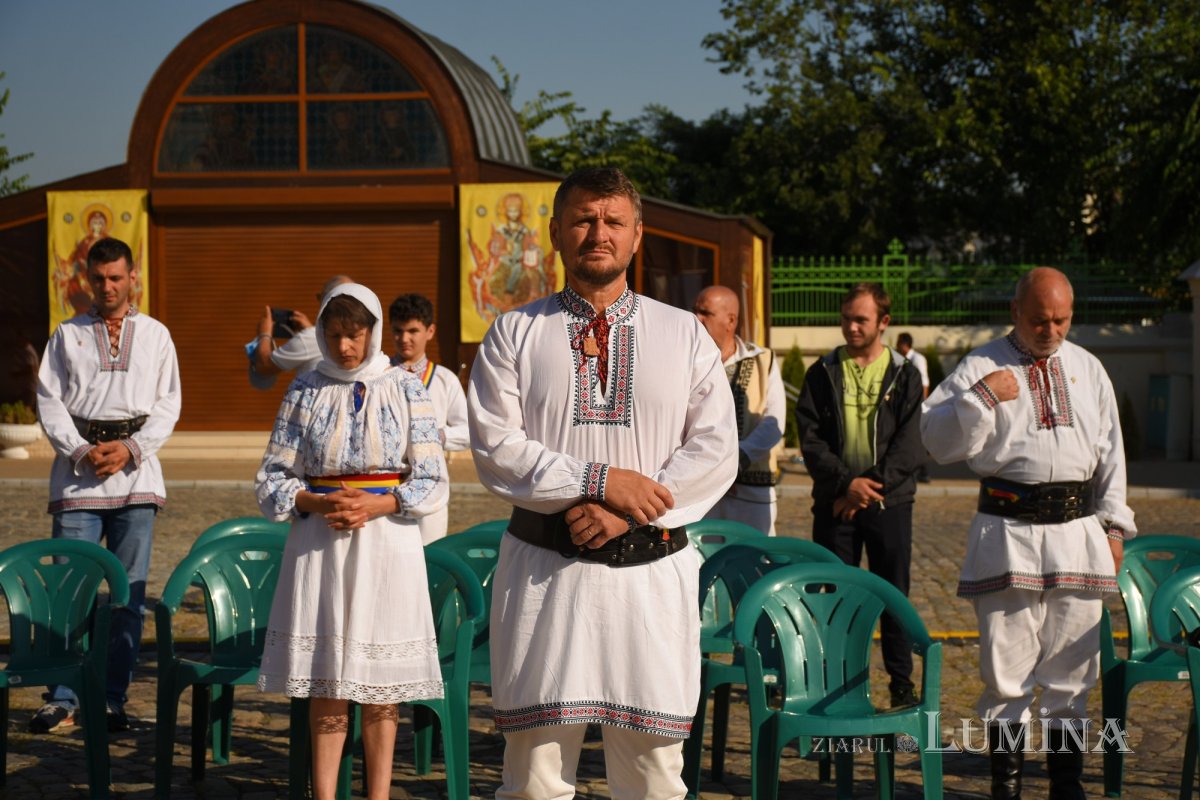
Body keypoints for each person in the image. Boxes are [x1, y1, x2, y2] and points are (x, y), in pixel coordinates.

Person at [468, 166, 738, 799]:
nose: (599, 232)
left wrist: (629, 509)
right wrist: (597, 479)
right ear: (557, 232)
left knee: (652, 777)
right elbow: (496, 448)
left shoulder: (683, 333)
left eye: (614, 220)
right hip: (544, 576)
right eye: (585, 219)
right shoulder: (515, 332)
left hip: (649, 579)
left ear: (637, 235)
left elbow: (715, 448)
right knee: (535, 777)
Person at [921, 267, 1135, 800]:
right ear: (1016, 312)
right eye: (1040, 319)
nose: (1052, 329)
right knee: (1007, 668)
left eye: (1062, 319)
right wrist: (982, 398)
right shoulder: (982, 364)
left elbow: (1111, 455)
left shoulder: (1088, 367)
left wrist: (1113, 525)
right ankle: (1007, 789)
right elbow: (937, 439)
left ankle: (1067, 787)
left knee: (1073, 667)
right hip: (1008, 533)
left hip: (1078, 534)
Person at [255, 283, 447, 800]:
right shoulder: (305, 388)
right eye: (335, 335)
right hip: (321, 544)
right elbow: (272, 475)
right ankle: (324, 793)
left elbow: (431, 476)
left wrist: (379, 503)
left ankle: (378, 794)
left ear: (373, 331)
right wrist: (317, 503)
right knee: (329, 682)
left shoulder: (407, 387)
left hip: (387, 546)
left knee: (381, 685)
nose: (344, 347)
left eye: (354, 335)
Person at [33, 236, 182, 733]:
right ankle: (62, 696)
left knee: (128, 596)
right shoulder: (66, 334)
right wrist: (80, 450)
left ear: (131, 276)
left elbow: (168, 402)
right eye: (98, 279)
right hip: (78, 478)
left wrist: (131, 449)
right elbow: (49, 400)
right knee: (68, 590)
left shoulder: (157, 335)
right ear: (86, 280)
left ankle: (114, 697)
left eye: (116, 277)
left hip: (136, 477)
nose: (108, 286)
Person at [795, 282, 925, 708]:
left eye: (861, 319)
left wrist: (865, 489)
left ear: (883, 323)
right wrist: (844, 484)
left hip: (889, 503)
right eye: (846, 317)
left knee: (893, 594)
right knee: (834, 598)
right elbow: (811, 438)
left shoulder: (906, 374)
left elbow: (908, 445)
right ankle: (836, 684)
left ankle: (901, 684)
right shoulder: (822, 371)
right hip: (835, 503)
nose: (850, 326)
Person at [693, 284, 785, 535]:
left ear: (730, 320)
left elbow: (774, 424)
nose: (696, 318)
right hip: (703, 490)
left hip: (750, 493)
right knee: (703, 567)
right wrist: (713, 470)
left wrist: (736, 461)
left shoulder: (763, 361)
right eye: (695, 311)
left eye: (705, 313)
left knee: (754, 565)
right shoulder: (687, 362)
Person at [388, 293, 468, 544]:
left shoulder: (445, 379)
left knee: (429, 559)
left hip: (431, 487)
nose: (404, 339)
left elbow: (468, 431)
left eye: (413, 330)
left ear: (430, 331)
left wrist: (435, 435)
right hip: (387, 488)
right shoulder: (379, 376)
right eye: (398, 331)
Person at [249, 275, 352, 389]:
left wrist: (264, 333)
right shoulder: (365, 337)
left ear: (323, 299)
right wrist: (311, 331)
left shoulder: (310, 339)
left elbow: (265, 367)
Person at [895, 331, 933, 483]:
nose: (897, 346)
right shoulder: (902, 360)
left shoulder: (918, 359)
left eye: (898, 343)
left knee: (917, 438)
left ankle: (923, 472)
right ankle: (915, 471)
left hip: (916, 404)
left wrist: (922, 404)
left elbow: (924, 382)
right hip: (905, 404)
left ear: (905, 344)